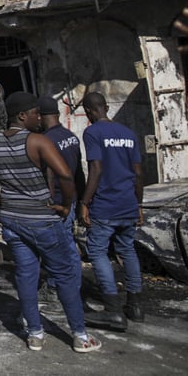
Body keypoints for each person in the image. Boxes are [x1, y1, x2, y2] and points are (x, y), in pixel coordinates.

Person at [0, 92, 101, 352]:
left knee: (26, 275)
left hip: (13, 221)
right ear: (22, 116)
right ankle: (80, 336)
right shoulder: (38, 142)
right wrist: (66, 205)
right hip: (43, 221)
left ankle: (35, 334)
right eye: (35, 113)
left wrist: (4, 203)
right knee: (66, 274)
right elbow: (66, 176)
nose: (39, 117)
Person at [80, 91, 145, 329]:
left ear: (88, 111)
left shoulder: (92, 132)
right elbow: (138, 173)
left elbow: (95, 169)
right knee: (127, 250)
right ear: (106, 107)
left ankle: (113, 309)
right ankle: (136, 306)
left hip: (105, 205)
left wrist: (84, 202)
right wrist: (138, 204)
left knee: (97, 251)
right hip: (128, 203)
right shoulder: (128, 134)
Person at [37, 95, 85, 304]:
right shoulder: (70, 136)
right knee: (68, 244)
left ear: (39, 116)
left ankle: (58, 288)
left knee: (58, 247)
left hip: (56, 200)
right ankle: (73, 285)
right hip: (71, 198)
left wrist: (48, 201)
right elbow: (79, 172)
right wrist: (82, 200)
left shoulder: (46, 141)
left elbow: (49, 174)